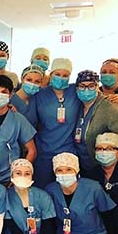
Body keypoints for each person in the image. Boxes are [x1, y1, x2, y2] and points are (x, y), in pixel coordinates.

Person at [28, 58, 80, 187]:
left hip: (68, 151)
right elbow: (30, 124)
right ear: (51, 74)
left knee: (66, 189)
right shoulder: (39, 95)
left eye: (65, 75)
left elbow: (94, 92)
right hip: (44, 151)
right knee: (43, 189)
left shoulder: (75, 92)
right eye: (57, 74)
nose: (61, 78)